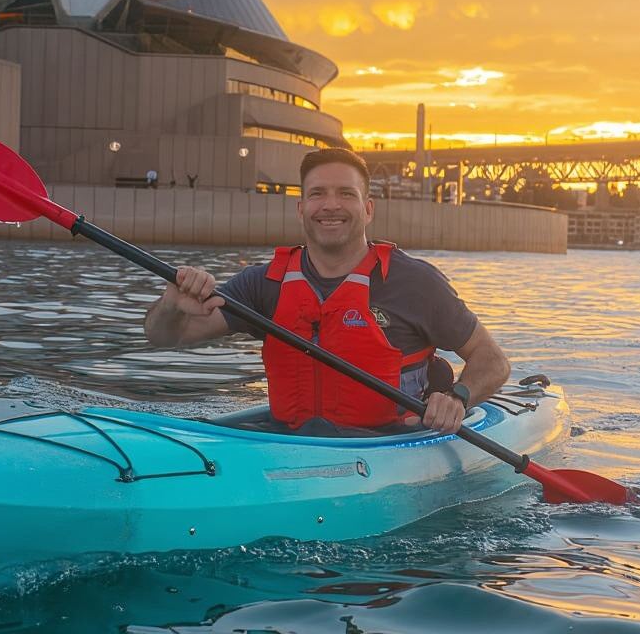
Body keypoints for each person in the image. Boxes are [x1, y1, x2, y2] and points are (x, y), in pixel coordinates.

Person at [144, 147, 511, 435]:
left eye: (345, 194)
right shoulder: (263, 282)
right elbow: (164, 337)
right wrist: (171, 305)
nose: (331, 205)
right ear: (302, 209)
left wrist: (457, 398)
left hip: (390, 441)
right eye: (318, 194)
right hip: (290, 439)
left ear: (368, 210)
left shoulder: (416, 283)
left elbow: (492, 360)